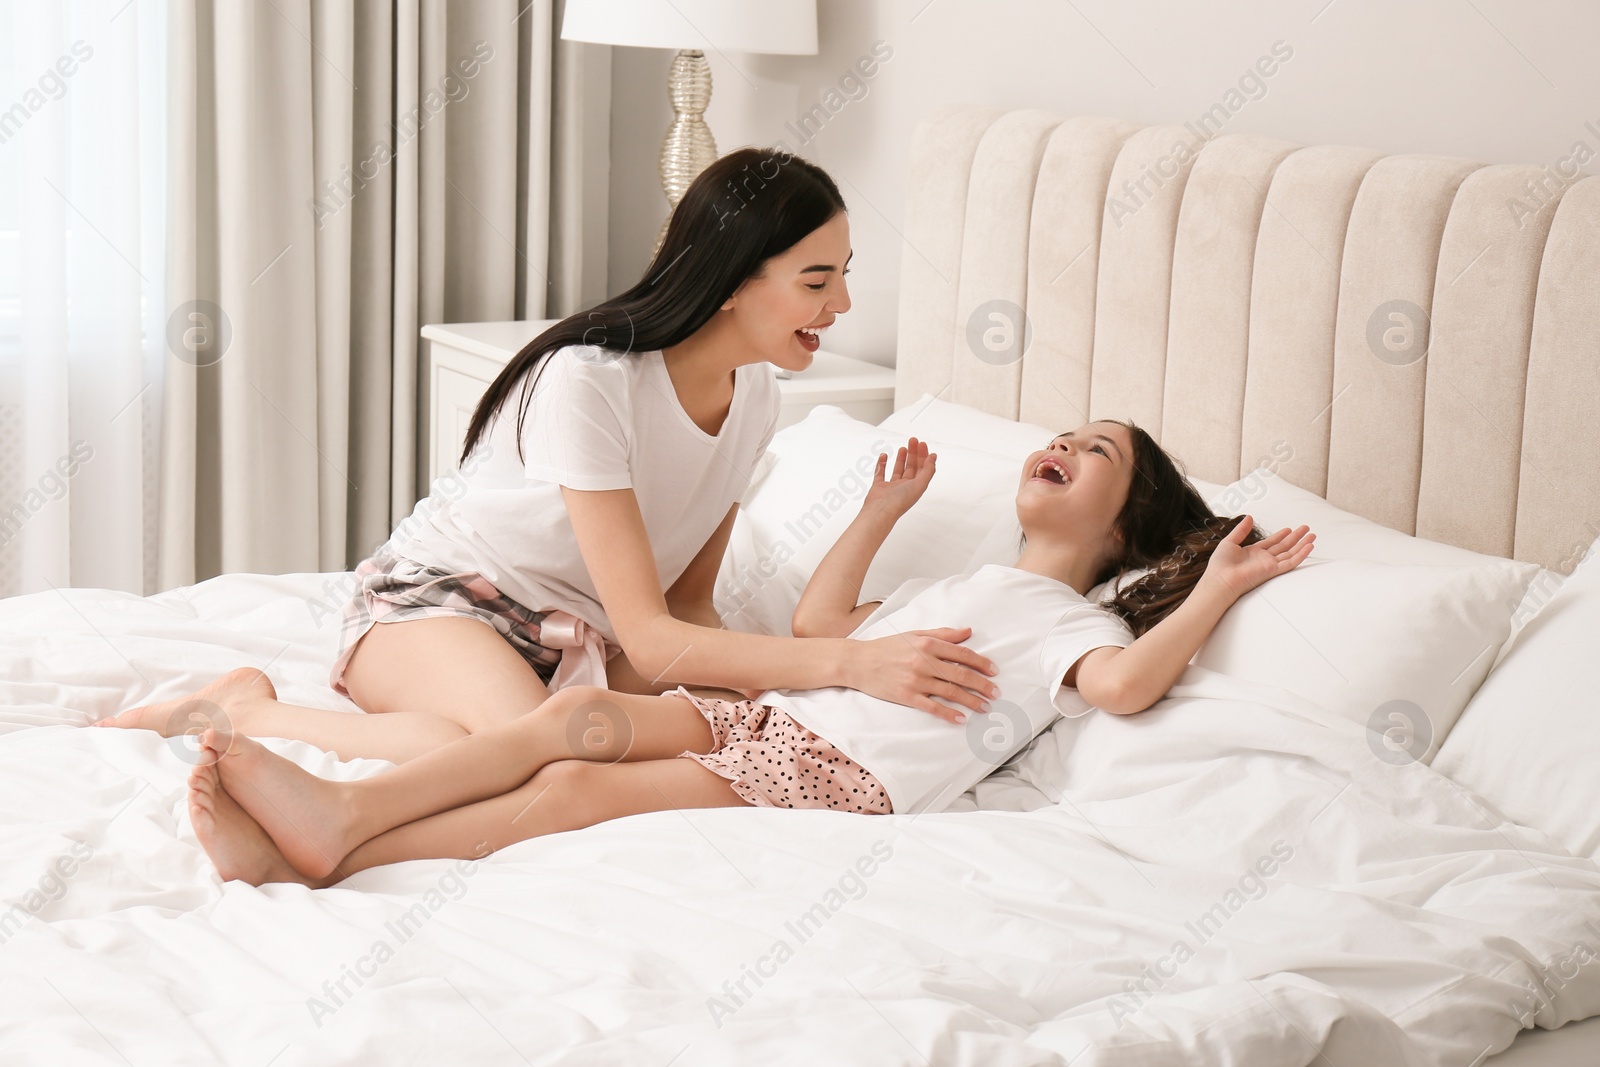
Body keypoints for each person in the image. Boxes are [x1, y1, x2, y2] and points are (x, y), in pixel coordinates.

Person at [97, 147, 1000, 764]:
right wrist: (847, 664)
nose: (840, 304)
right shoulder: (592, 379)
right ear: (732, 280)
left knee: (715, 721)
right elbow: (653, 635)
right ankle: (246, 710)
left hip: (582, 640)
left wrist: (771, 691)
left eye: (846, 274)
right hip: (440, 605)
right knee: (507, 753)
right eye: (817, 279)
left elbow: (685, 607)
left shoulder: (758, 398)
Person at [184, 422, 1315, 887]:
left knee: (575, 783)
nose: (1065, 441)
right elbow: (823, 631)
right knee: (562, 723)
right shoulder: (964, 584)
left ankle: (321, 846)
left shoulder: (1083, 627)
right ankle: (344, 807)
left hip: (841, 774)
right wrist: (881, 510)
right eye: (1066, 430)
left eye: (1099, 448)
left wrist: (1211, 589)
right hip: (776, 715)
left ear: (1126, 522)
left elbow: (1119, 688)